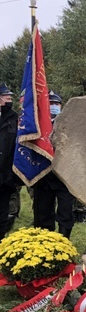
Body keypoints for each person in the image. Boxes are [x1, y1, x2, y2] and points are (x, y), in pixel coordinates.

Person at [32, 91, 76, 238]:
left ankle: (64, 241)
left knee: (65, 212)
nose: (53, 107)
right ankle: (45, 242)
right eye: (50, 104)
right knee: (42, 212)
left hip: (64, 176)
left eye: (56, 104)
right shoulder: (36, 125)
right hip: (43, 174)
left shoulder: (69, 124)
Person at [0, 83, 19, 239]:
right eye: (6, 96)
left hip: (5, 177)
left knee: (2, 215)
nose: (9, 98)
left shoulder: (14, 118)